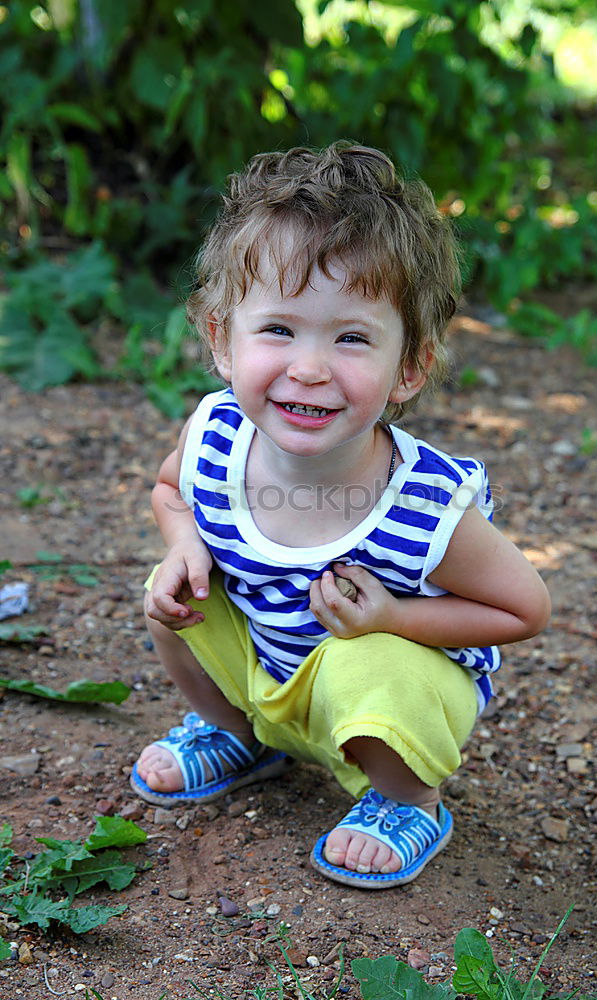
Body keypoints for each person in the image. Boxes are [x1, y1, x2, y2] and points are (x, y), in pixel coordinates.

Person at [130, 142, 550, 889]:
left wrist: (392, 616)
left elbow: (522, 608)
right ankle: (239, 735)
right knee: (173, 597)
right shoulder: (215, 439)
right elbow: (170, 491)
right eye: (279, 330)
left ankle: (408, 799)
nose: (310, 367)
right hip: (273, 673)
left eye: (351, 337)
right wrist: (183, 543)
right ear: (222, 341)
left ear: (410, 367)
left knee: (376, 663)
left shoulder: (422, 507)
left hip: (374, 690)